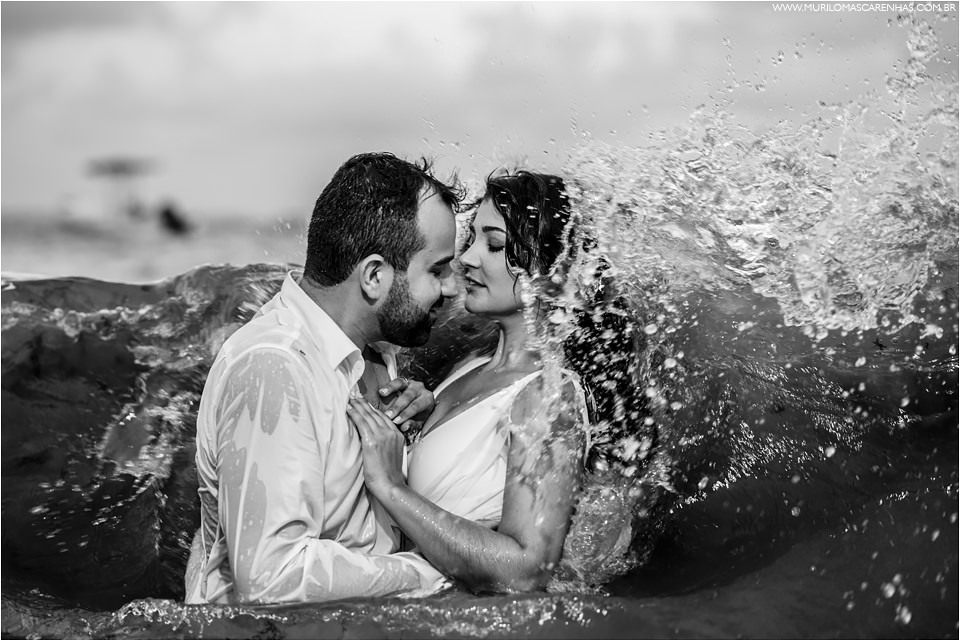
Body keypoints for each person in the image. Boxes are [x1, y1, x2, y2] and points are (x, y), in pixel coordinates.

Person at [184, 152, 462, 604]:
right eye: (437, 269)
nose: (451, 287)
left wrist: (423, 428)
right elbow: (273, 576)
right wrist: (424, 575)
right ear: (374, 276)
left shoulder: (368, 350)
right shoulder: (275, 370)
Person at [346, 171, 600, 592]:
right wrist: (425, 419)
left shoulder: (550, 396)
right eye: (473, 240)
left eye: (494, 245)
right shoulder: (471, 367)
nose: (466, 259)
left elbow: (528, 570)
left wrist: (391, 487)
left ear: (550, 272)